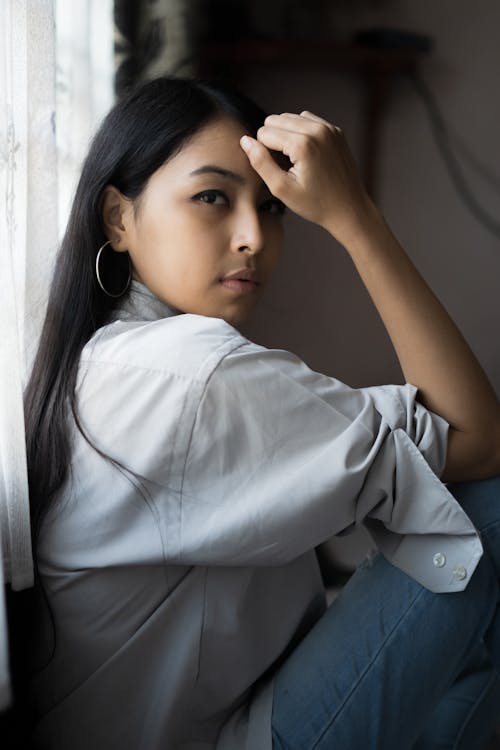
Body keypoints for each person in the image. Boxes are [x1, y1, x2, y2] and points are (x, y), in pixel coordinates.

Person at [23, 76, 500, 750]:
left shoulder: (109, 361)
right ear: (118, 218)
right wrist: (356, 218)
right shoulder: (192, 370)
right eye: (212, 197)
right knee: (489, 505)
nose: (252, 236)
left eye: (272, 206)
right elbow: (481, 440)